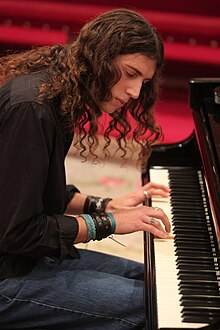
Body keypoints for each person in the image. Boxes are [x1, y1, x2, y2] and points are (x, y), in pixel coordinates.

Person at [0, 8, 171, 330]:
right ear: (100, 58)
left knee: (153, 280)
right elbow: (18, 232)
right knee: (154, 308)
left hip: (24, 256)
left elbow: (31, 193)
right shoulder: (31, 109)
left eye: (143, 81)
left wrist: (104, 205)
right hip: (8, 272)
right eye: (130, 73)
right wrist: (107, 222)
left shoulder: (52, 96)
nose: (135, 93)